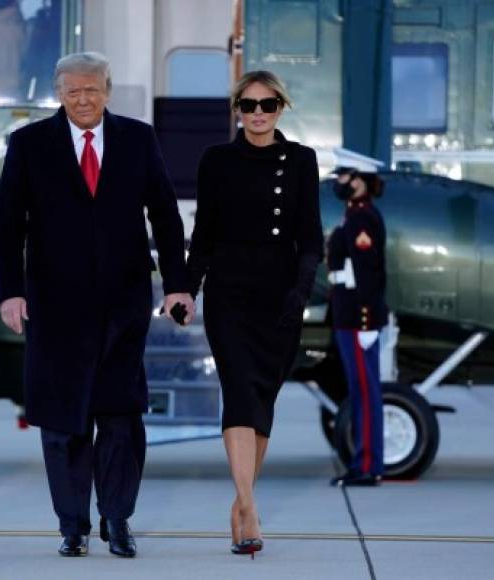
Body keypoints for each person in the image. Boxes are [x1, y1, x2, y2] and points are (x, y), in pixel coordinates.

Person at [0, 52, 194, 558]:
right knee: (63, 421)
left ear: (108, 90)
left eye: (92, 90)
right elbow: (7, 223)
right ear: (58, 93)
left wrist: (176, 284)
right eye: (72, 91)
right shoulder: (29, 144)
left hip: (123, 305)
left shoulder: (137, 138)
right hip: (53, 307)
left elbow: (166, 216)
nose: (82, 100)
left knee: (121, 416)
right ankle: (72, 525)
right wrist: (10, 291)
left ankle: (118, 519)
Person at [186, 70, 324, 556]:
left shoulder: (302, 161)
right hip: (229, 295)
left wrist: (300, 294)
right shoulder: (217, 160)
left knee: (262, 399)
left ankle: (242, 500)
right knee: (239, 393)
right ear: (237, 110)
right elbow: (203, 236)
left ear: (281, 107)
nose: (258, 113)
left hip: (281, 296)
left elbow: (311, 240)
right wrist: (186, 288)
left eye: (267, 104)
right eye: (248, 105)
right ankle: (247, 506)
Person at [327, 167, 388, 487]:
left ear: (359, 180)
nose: (338, 183)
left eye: (343, 177)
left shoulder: (361, 217)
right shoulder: (352, 214)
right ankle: (364, 462)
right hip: (348, 313)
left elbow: (368, 272)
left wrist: (366, 320)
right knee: (361, 391)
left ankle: (367, 465)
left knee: (365, 393)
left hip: (356, 316)